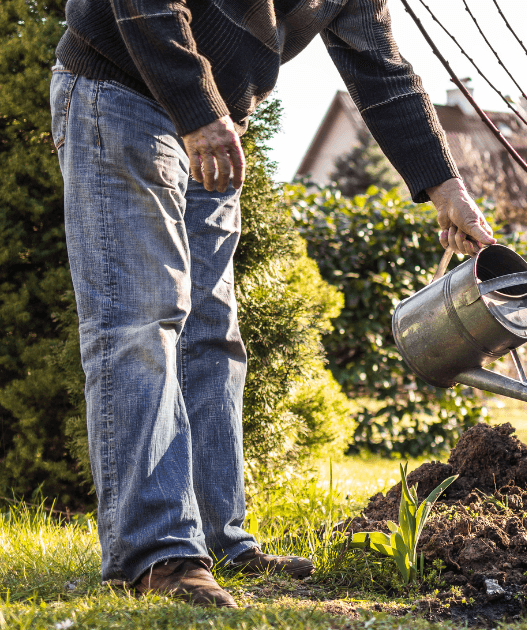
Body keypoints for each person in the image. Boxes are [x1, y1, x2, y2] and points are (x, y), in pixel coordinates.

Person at [50, 0, 496, 609]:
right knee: (142, 322)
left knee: (211, 335)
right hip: (123, 87)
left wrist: (448, 189)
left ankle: (219, 539)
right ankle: (156, 554)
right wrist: (198, 109)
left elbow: (382, 68)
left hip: (213, 121)